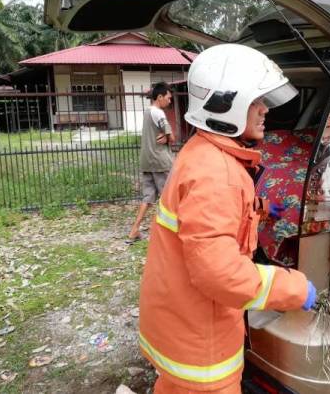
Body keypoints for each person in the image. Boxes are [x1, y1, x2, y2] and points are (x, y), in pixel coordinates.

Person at [139, 44, 317, 394]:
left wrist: (263, 209)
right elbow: (220, 275)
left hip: (177, 326)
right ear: (226, 102)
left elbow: (210, 222)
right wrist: (294, 287)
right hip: (202, 353)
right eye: (256, 101)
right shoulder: (217, 173)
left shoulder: (204, 152)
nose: (265, 110)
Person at [128, 82, 175, 241]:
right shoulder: (159, 114)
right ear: (159, 97)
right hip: (160, 162)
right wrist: (168, 137)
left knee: (148, 198)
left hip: (147, 161)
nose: (170, 101)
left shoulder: (147, 112)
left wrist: (166, 137)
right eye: (168, 98)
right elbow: (172, 137)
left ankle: (134, 230)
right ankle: (167, 233)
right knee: (168, 196)